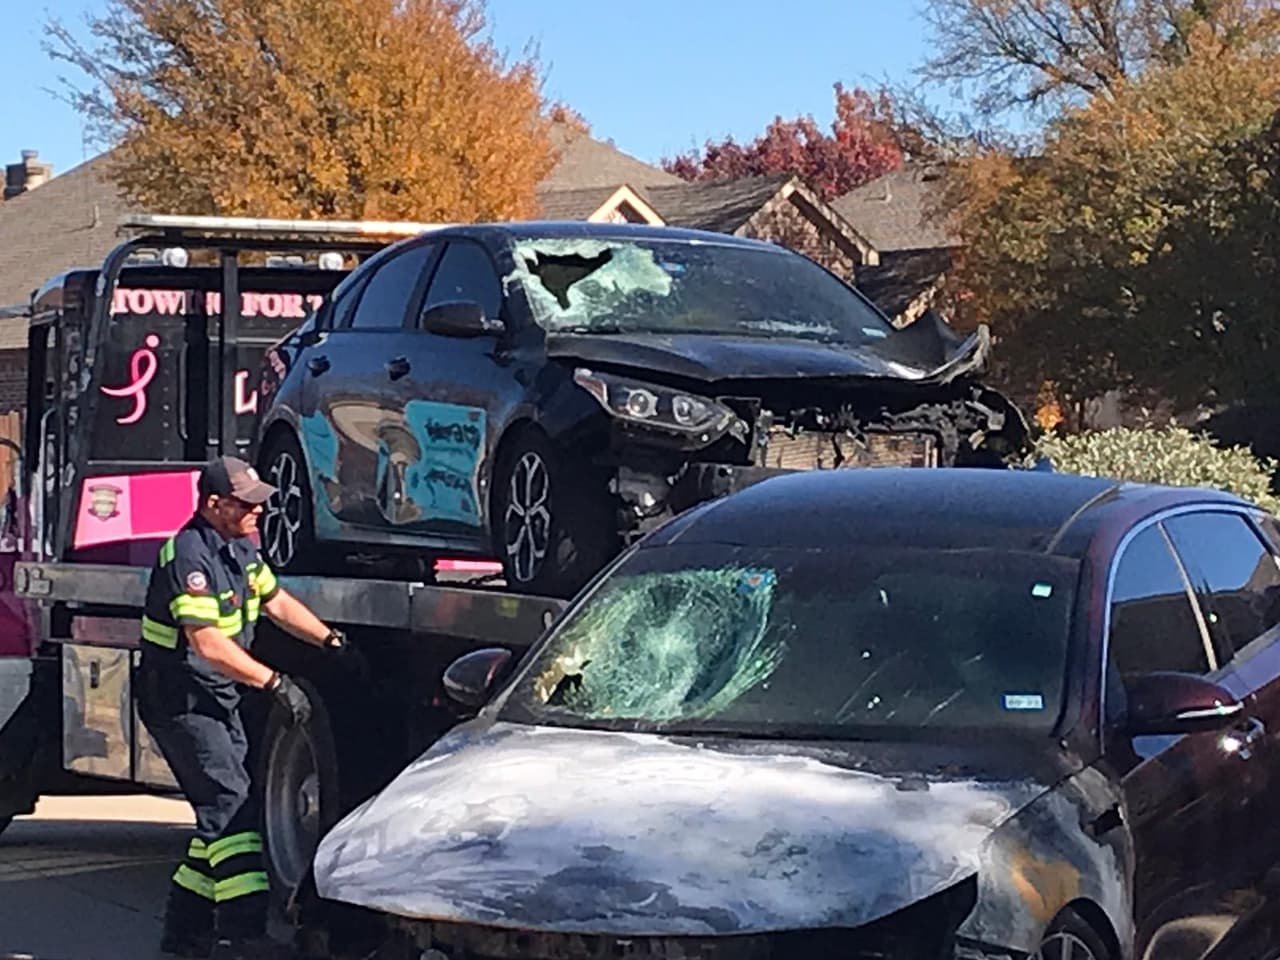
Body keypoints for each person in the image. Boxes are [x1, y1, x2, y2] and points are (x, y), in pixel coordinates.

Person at [136, 455, 357, 959]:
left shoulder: (240, 551)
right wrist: (275, 683)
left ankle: (184, 934)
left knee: (221, 816)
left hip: (217, 698)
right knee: (231, 812)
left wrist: (332, 641)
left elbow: (276, 601)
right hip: (182, 702)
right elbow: (207, 643)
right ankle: (241, 935)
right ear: (215, 505)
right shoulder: (189, 556)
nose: (259, 511)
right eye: (247, 503)